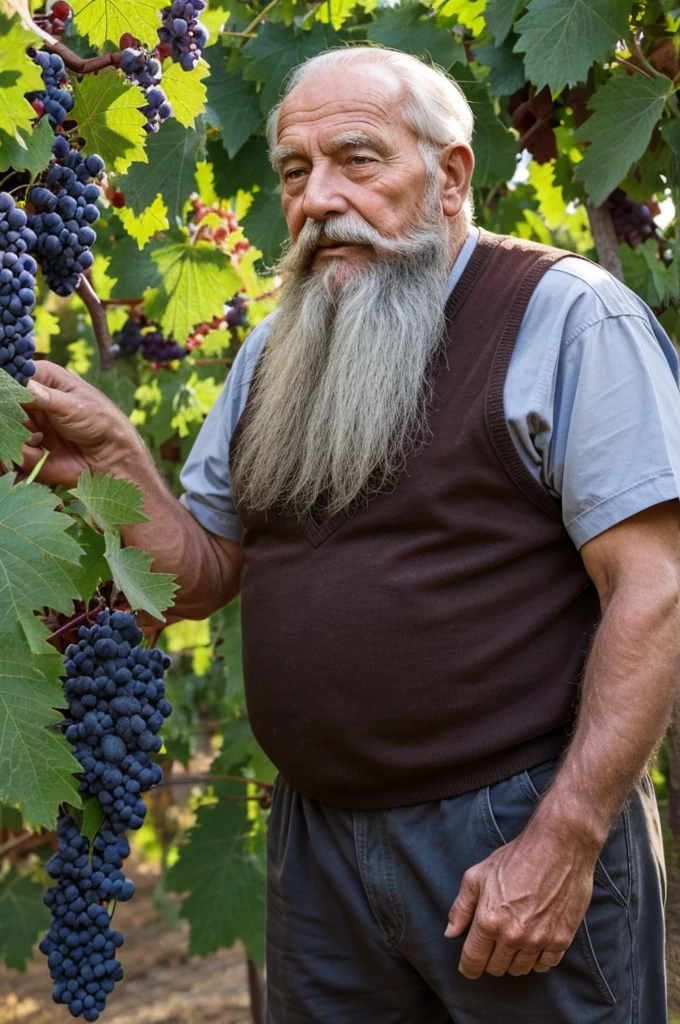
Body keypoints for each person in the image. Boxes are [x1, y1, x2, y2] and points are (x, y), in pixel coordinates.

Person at [19, 45, 680, 1024]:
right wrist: (117, 455)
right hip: (316, 843)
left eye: (356, 160)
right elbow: (200, 575)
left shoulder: (563, 317)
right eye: (294, 170)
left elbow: (655, 586)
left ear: (451, 174)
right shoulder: (276, 346)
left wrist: (564, 836)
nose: (316, 197)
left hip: (507, 832)